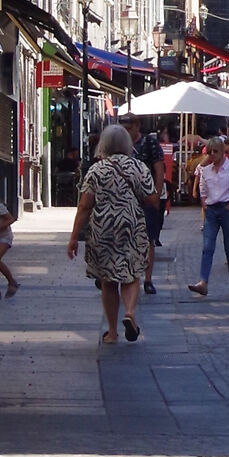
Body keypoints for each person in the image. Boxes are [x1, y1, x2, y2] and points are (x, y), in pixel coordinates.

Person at [65, 123, 153, 344]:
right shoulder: (139, 167)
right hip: (131, 226)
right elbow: (152, 199)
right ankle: (130, 313)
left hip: (103, 228)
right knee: (131, 274)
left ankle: (112, 332)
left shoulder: (96, 170)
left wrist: (74, 237)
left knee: (108, 280)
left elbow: (85, 206)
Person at [190, 135, 229, 297]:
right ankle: (203, 281)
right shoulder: (206, 170)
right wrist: (204, 203)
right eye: (210, 152)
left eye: (215, 152)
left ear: (222, 152)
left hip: (227, 209)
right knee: (207, 247)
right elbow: (202, 188)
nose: (212, 155)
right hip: (212, 210)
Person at [135, 123, 166, 294]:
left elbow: (159, 168)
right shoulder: (120, 142)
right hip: (125, 199)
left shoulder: (149, 143)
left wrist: (157, 194)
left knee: (149, 240)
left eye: (130, 126)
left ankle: (147, 279)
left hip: (147, 198)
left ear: (135, 127)